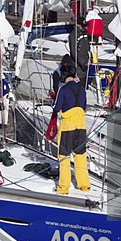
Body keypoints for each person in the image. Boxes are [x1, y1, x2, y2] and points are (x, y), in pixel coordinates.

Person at [46, 65, 89, 194]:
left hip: (67, 126)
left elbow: (57, 107)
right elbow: (84, 106)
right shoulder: (82, 90)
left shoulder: (63, 90)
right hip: (81, 125)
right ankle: (84, 184)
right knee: (80, 155)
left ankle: (63, 187)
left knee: (64, 156)